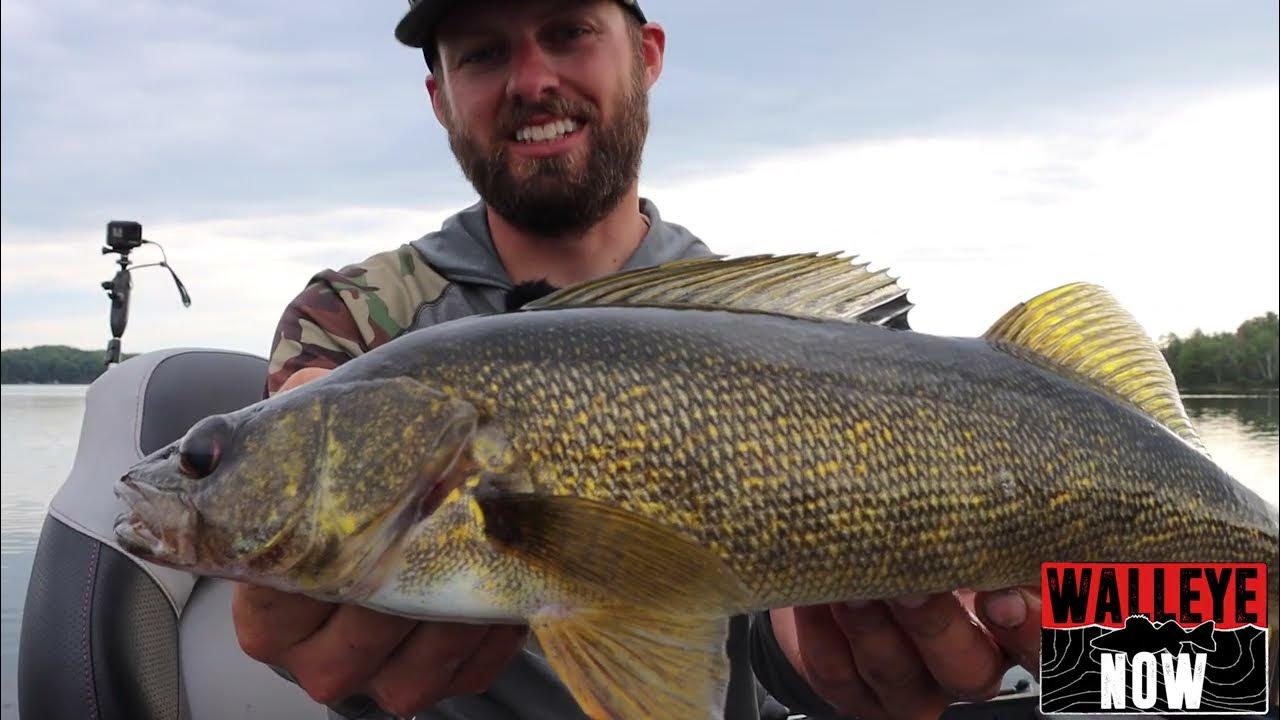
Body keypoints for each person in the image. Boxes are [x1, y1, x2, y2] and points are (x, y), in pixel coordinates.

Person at [233, 0, 1045, 718]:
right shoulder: (353, 322)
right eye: (481, 53)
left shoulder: (773, 338)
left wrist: (861, 670)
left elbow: (782, 626)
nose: (532, 80)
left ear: (648, 53)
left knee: (1133, 663)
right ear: (439, 95)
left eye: (569, 32)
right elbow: (291, 476)